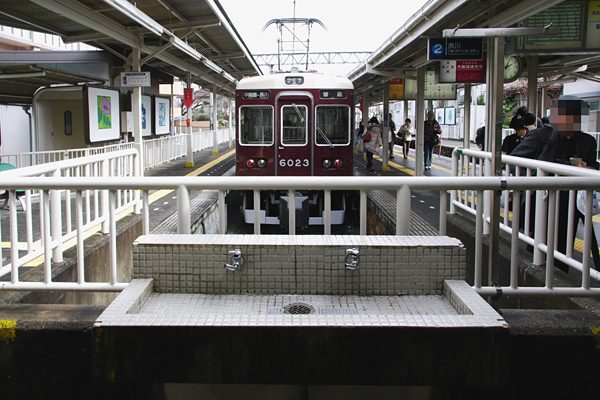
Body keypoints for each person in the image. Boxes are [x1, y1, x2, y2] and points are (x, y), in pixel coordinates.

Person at [538, 95, 600, 271]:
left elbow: (592, 164)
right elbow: (543, 163)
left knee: (575, 235)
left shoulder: (587, 141)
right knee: (546, 231)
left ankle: (566, 268)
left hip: (577, 195)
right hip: (551, 195)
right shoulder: (549, 138)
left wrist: (587, 167)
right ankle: (547, 264)